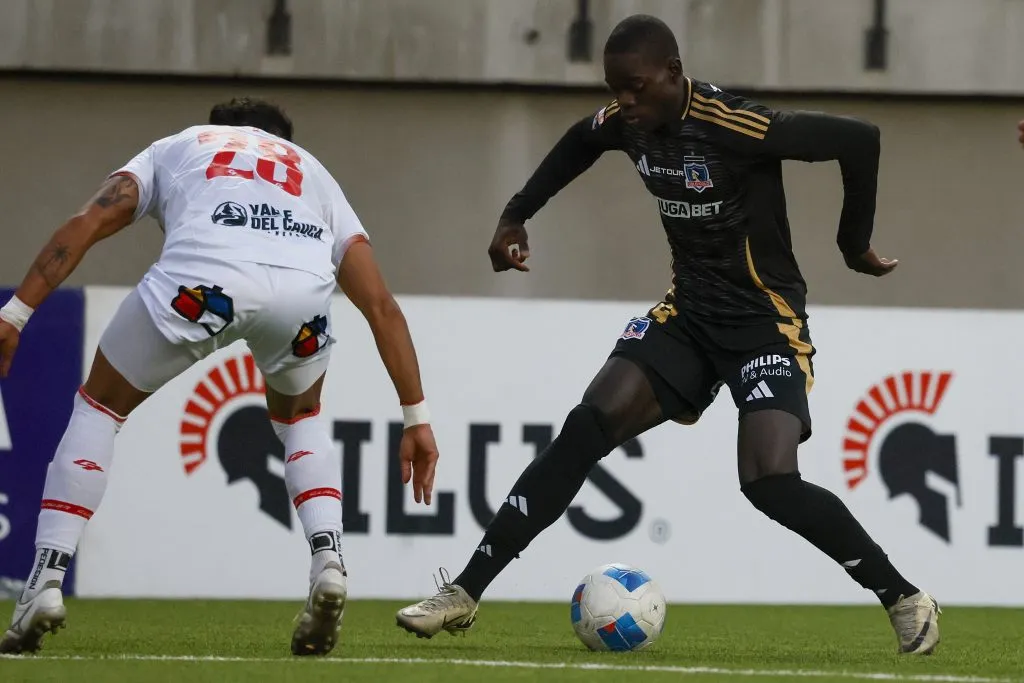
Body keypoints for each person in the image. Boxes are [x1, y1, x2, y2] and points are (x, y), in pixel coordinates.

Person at [395, 15, 939, 655]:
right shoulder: (628, 123)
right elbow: (579, 140)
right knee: (583, 429)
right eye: (615, 89)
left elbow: (860, 139)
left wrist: (852, 246)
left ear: (673, 74)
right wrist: (516, 215)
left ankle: (903, 597)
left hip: (764, 322)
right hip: (686, 316)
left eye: (635, 87)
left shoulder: (737, 125)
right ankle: (462, 593)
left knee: (768, 480)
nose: (624, 102)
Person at [0, 97, 440, 656]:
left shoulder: (180, 145)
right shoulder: (312, 171)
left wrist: (16, 313)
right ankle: (328, 558)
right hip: (301, 301)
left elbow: (89, 223)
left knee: (99, 408)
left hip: (200, 286)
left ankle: (45, 579)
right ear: (284, 138)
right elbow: (381, 305)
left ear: (221, 132)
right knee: (300, 416)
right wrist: (416, 417)